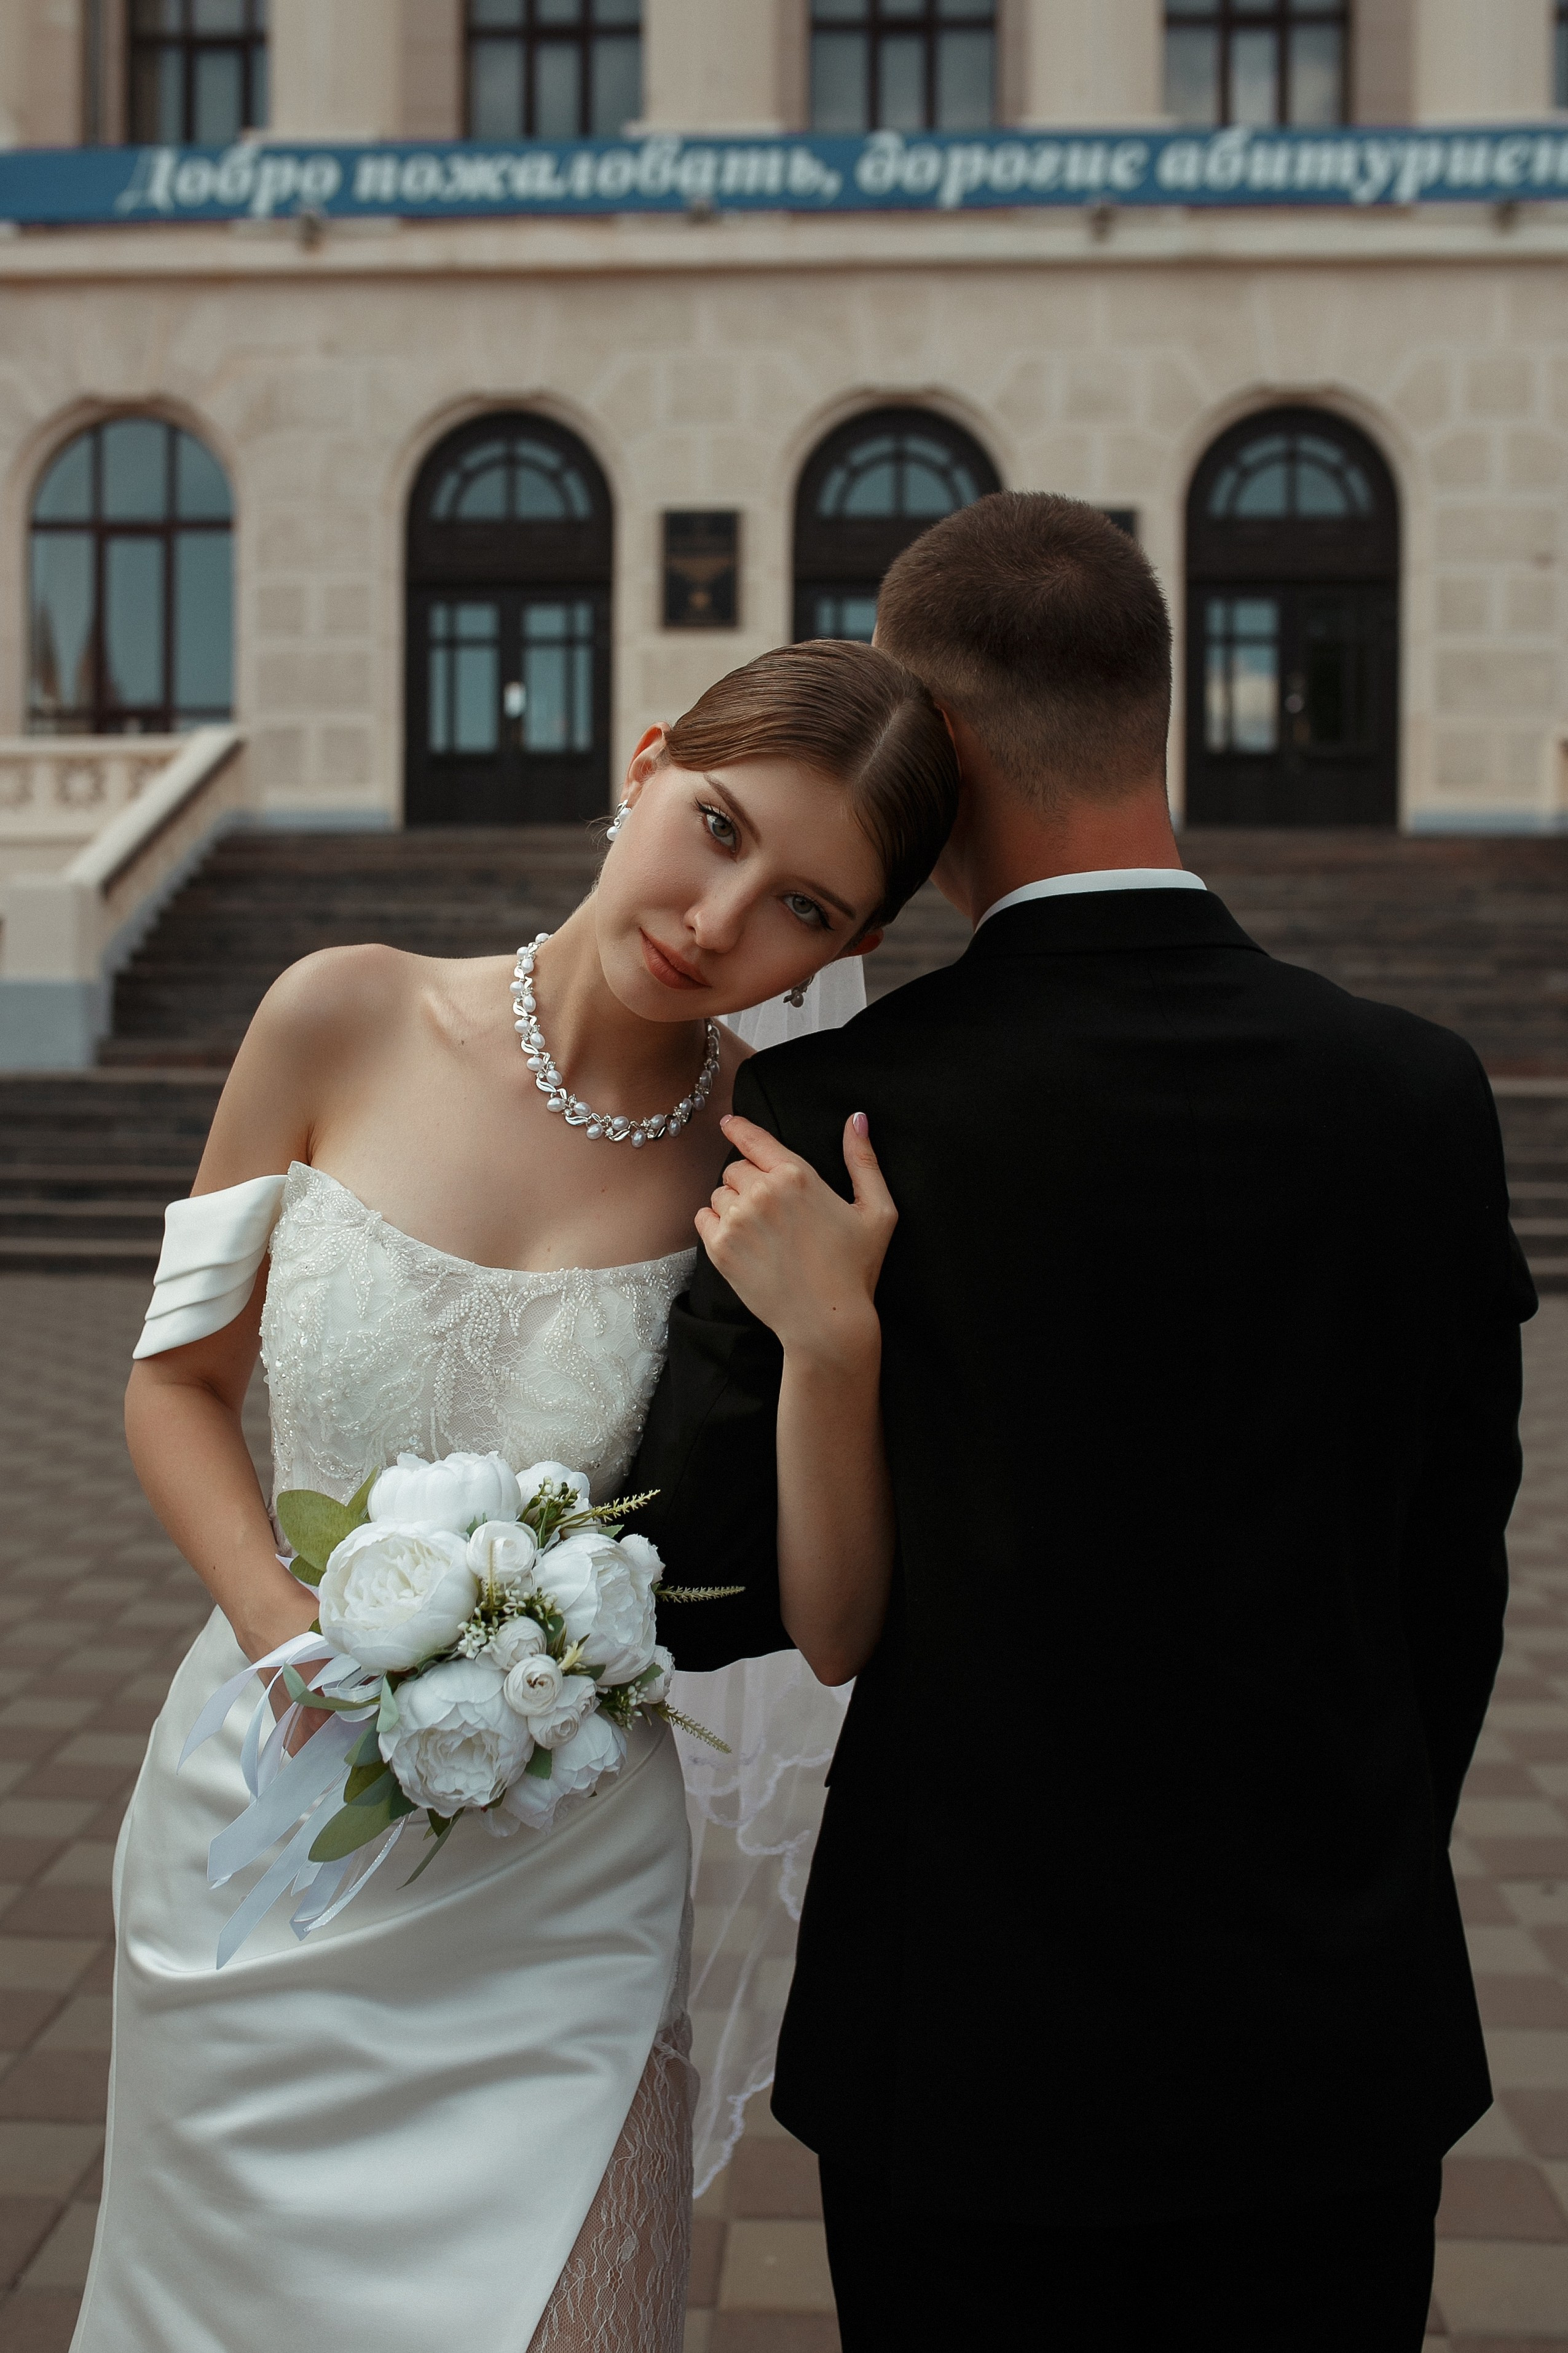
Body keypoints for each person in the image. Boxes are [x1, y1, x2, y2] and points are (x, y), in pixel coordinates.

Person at [631, 492, 1537, 2350]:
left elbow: (696, 1579)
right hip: (1328, 2045)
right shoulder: (1420, 1099)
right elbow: (1456, 1580)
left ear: (933, 753)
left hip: (959, 2056)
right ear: (1161, 709)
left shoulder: (833, 1109)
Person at [74, 639, 958, 2353]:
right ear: (643, 765)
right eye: (713, 824)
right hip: (266, 1816)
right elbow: (172, 1383)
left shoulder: (759, 1170)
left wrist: (835, 1341)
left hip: (559, 1883)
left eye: (802, 907)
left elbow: (837, 1626)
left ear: (846, 953)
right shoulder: (333, 1008)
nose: (720, 916)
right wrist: (285, 1641)